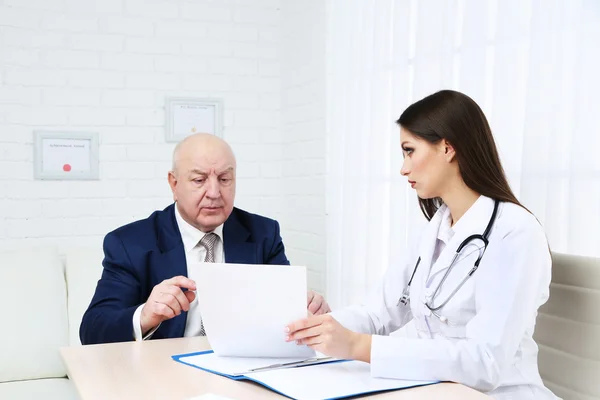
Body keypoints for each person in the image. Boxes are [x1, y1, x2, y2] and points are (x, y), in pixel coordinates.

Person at [285, 90, 558, 399]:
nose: (403, 168)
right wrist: (312, 328)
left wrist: (360, 347)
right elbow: (378, 314)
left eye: (409, 151)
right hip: (436, 390)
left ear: (447, 148)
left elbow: (485, 363)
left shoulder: (515, 233)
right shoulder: (436, 230)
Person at [81, 133, 330, 345]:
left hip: (242, 367)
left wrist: (305, 309)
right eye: (199, 180)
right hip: (165, 372)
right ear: (174, 183)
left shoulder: (263, 233)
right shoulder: (130, 243)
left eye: (224, 179)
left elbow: (284, 312)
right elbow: (92, 330)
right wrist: (145, 315)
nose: (214, 193)